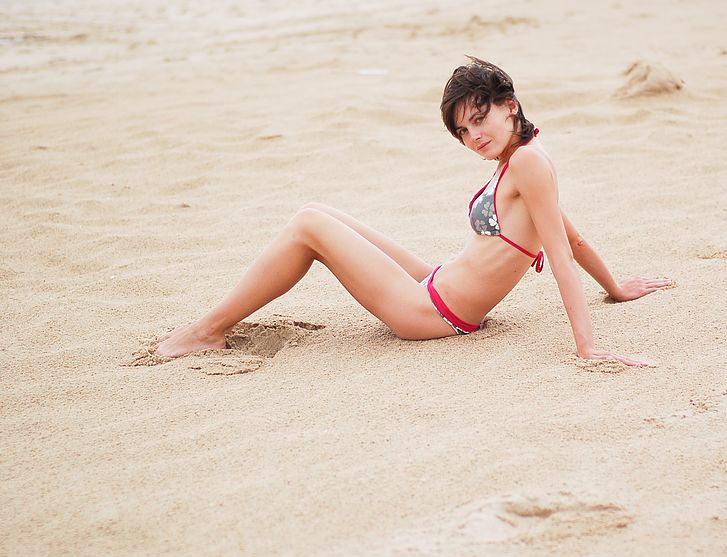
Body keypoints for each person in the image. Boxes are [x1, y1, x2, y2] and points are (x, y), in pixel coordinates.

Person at [156, 57, 672, 364]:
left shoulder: (531, 164)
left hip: (432, 313)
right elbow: (573, 237)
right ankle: (208, 329)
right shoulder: (518, 161)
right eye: (463, 132)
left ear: (510, 105)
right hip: (436, 283)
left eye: (479, 120)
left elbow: (560, 253)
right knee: (316, 209)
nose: (474, 137)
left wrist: (586, 345)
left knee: (307, 226)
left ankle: (207, 331)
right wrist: (617, 288)